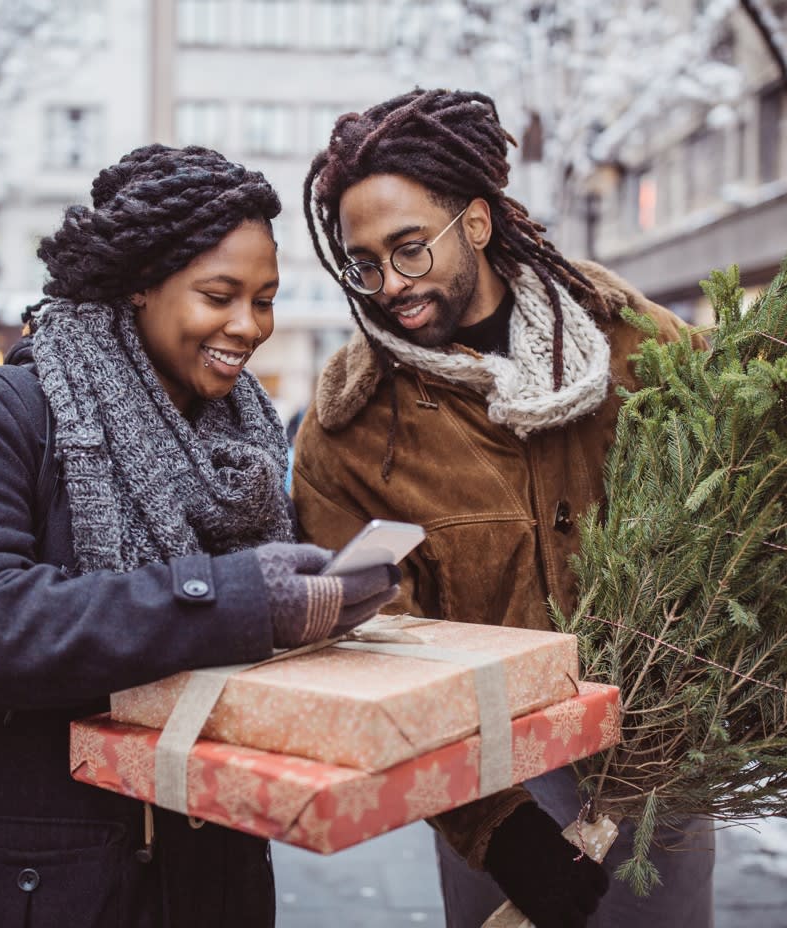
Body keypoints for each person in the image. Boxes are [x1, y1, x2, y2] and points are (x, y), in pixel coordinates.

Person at [0, 144, 400, 927]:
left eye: (264, 299)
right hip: (39, 884)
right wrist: (238, 599)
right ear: (139, 283)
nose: (249, 326)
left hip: (209, 876)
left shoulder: (245, 446)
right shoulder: (0, 414)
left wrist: (328, 604)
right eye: (220, 295)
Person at [292, 90, 715, 928]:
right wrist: (499, 831)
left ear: (476, 225)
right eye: (364, 263)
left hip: (663, 768)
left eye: (410, 250)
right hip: (494, 783)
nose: (390, 285)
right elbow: (370, 645)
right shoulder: (349, 432)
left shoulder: (637, 343)